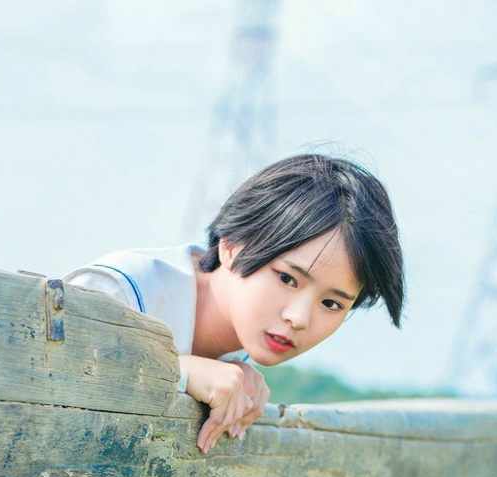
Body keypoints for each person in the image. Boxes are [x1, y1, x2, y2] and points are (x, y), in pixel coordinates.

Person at [64, 153, 405, 453]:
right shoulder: (121, 290)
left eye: (331, 303)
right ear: (230, 247)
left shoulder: (242, 349)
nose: (299, 318)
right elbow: (48, 374)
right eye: (287, 279)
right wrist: (175, 371)